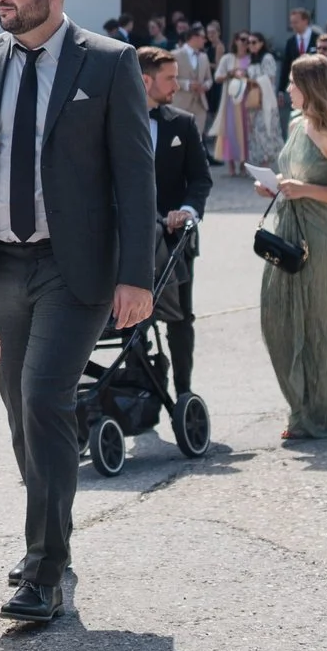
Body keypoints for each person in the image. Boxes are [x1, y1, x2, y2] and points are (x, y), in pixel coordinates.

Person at [0, 0, 156, 626]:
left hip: (73, 265)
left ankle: (45, 567)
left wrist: (137, 276)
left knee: (43, 399)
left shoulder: (109, 63)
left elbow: (135, 173)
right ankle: (49, 535)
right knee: (16, 409)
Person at [256, 56, 327, 439]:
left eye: (293, 83)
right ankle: (302, 406)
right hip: (289, 230)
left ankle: (316, 414)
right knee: (277, 318)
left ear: (312, 87)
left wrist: (304, 190)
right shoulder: (296, 124)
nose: (287, 89)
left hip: (323, 239)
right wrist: (276, 185)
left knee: (318, 324)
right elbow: (297, 175)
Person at [139, 47, 213, 394]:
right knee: (130, 323)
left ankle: (184, 393)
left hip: (176, 240)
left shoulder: (182, 123)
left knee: (181, 320)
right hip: (131, 241)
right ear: (145, 80)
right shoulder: (113, 122)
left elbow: (201, 179)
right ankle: (142, 391)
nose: (177, 83)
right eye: (170, 77)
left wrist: (187, 211)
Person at [214, 31, 258, 176]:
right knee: (230, 131)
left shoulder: (252, 59)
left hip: (247, 99)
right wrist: (230, 74)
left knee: (246, 132)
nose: (246, 43)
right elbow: (217, 77)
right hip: (230, 101)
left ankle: (244, 165)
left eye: (248, 40)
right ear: (236, 41)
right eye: (243, 39)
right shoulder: (227, 58)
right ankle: (231, 166)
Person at [243, 31, 285, 168]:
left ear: (261, 43)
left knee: (266, 131)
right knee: (254, 131)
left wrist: (251, 80)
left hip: (266, 100)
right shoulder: (252, 58)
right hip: (254, 100)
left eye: (254, 42)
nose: (251, 45)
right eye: (248, 43)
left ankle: (267, 164)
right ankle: (260, 163)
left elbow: (269, 79)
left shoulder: (267, 58)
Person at [172, 24, 213, 130]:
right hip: (180, 104)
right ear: (194, 37)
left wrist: (205, 86)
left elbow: (209, 79)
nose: (205, 40)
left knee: (197, 140)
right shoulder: (175, 55)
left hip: (200, 105)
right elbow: (169, 78)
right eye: (203, 37)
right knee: (180, 139)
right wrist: (187, 84)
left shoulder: (204, 57)